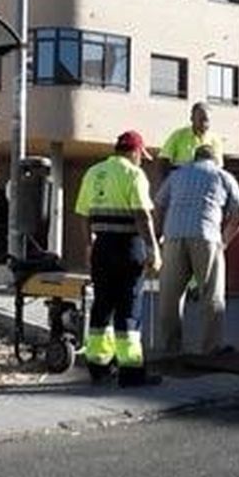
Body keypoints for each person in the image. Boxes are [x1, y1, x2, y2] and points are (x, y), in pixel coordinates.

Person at [75, 130, 161, 387]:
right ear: (134, 151)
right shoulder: (134, 174)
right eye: (141, 156)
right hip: (128, 248)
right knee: (128, 310)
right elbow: (142, 215)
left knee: (102, 307)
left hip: (102, 247)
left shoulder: (93, 172)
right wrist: (153, 249)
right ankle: (131, 372)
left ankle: (99, 368)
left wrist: (89, 244)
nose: (141, 161)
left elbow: (83, 213)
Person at [153, 144, 239, 358]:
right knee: (211, 294)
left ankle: (171, 348)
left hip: (174, 235)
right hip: (206, 236)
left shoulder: (177, 176)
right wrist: (224, 241)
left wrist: (158, 233)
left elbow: (158, 204)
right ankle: (211, 348)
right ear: (216, 159)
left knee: (170, 295)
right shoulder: (223, 176)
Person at [159, 101, 224, 176]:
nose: (204, 124)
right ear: (192, 118)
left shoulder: (215, 140)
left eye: (207, 120)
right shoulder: (178, 136)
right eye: (201, 119)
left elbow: (218, 168)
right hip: (181, 182)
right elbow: (163, 161)